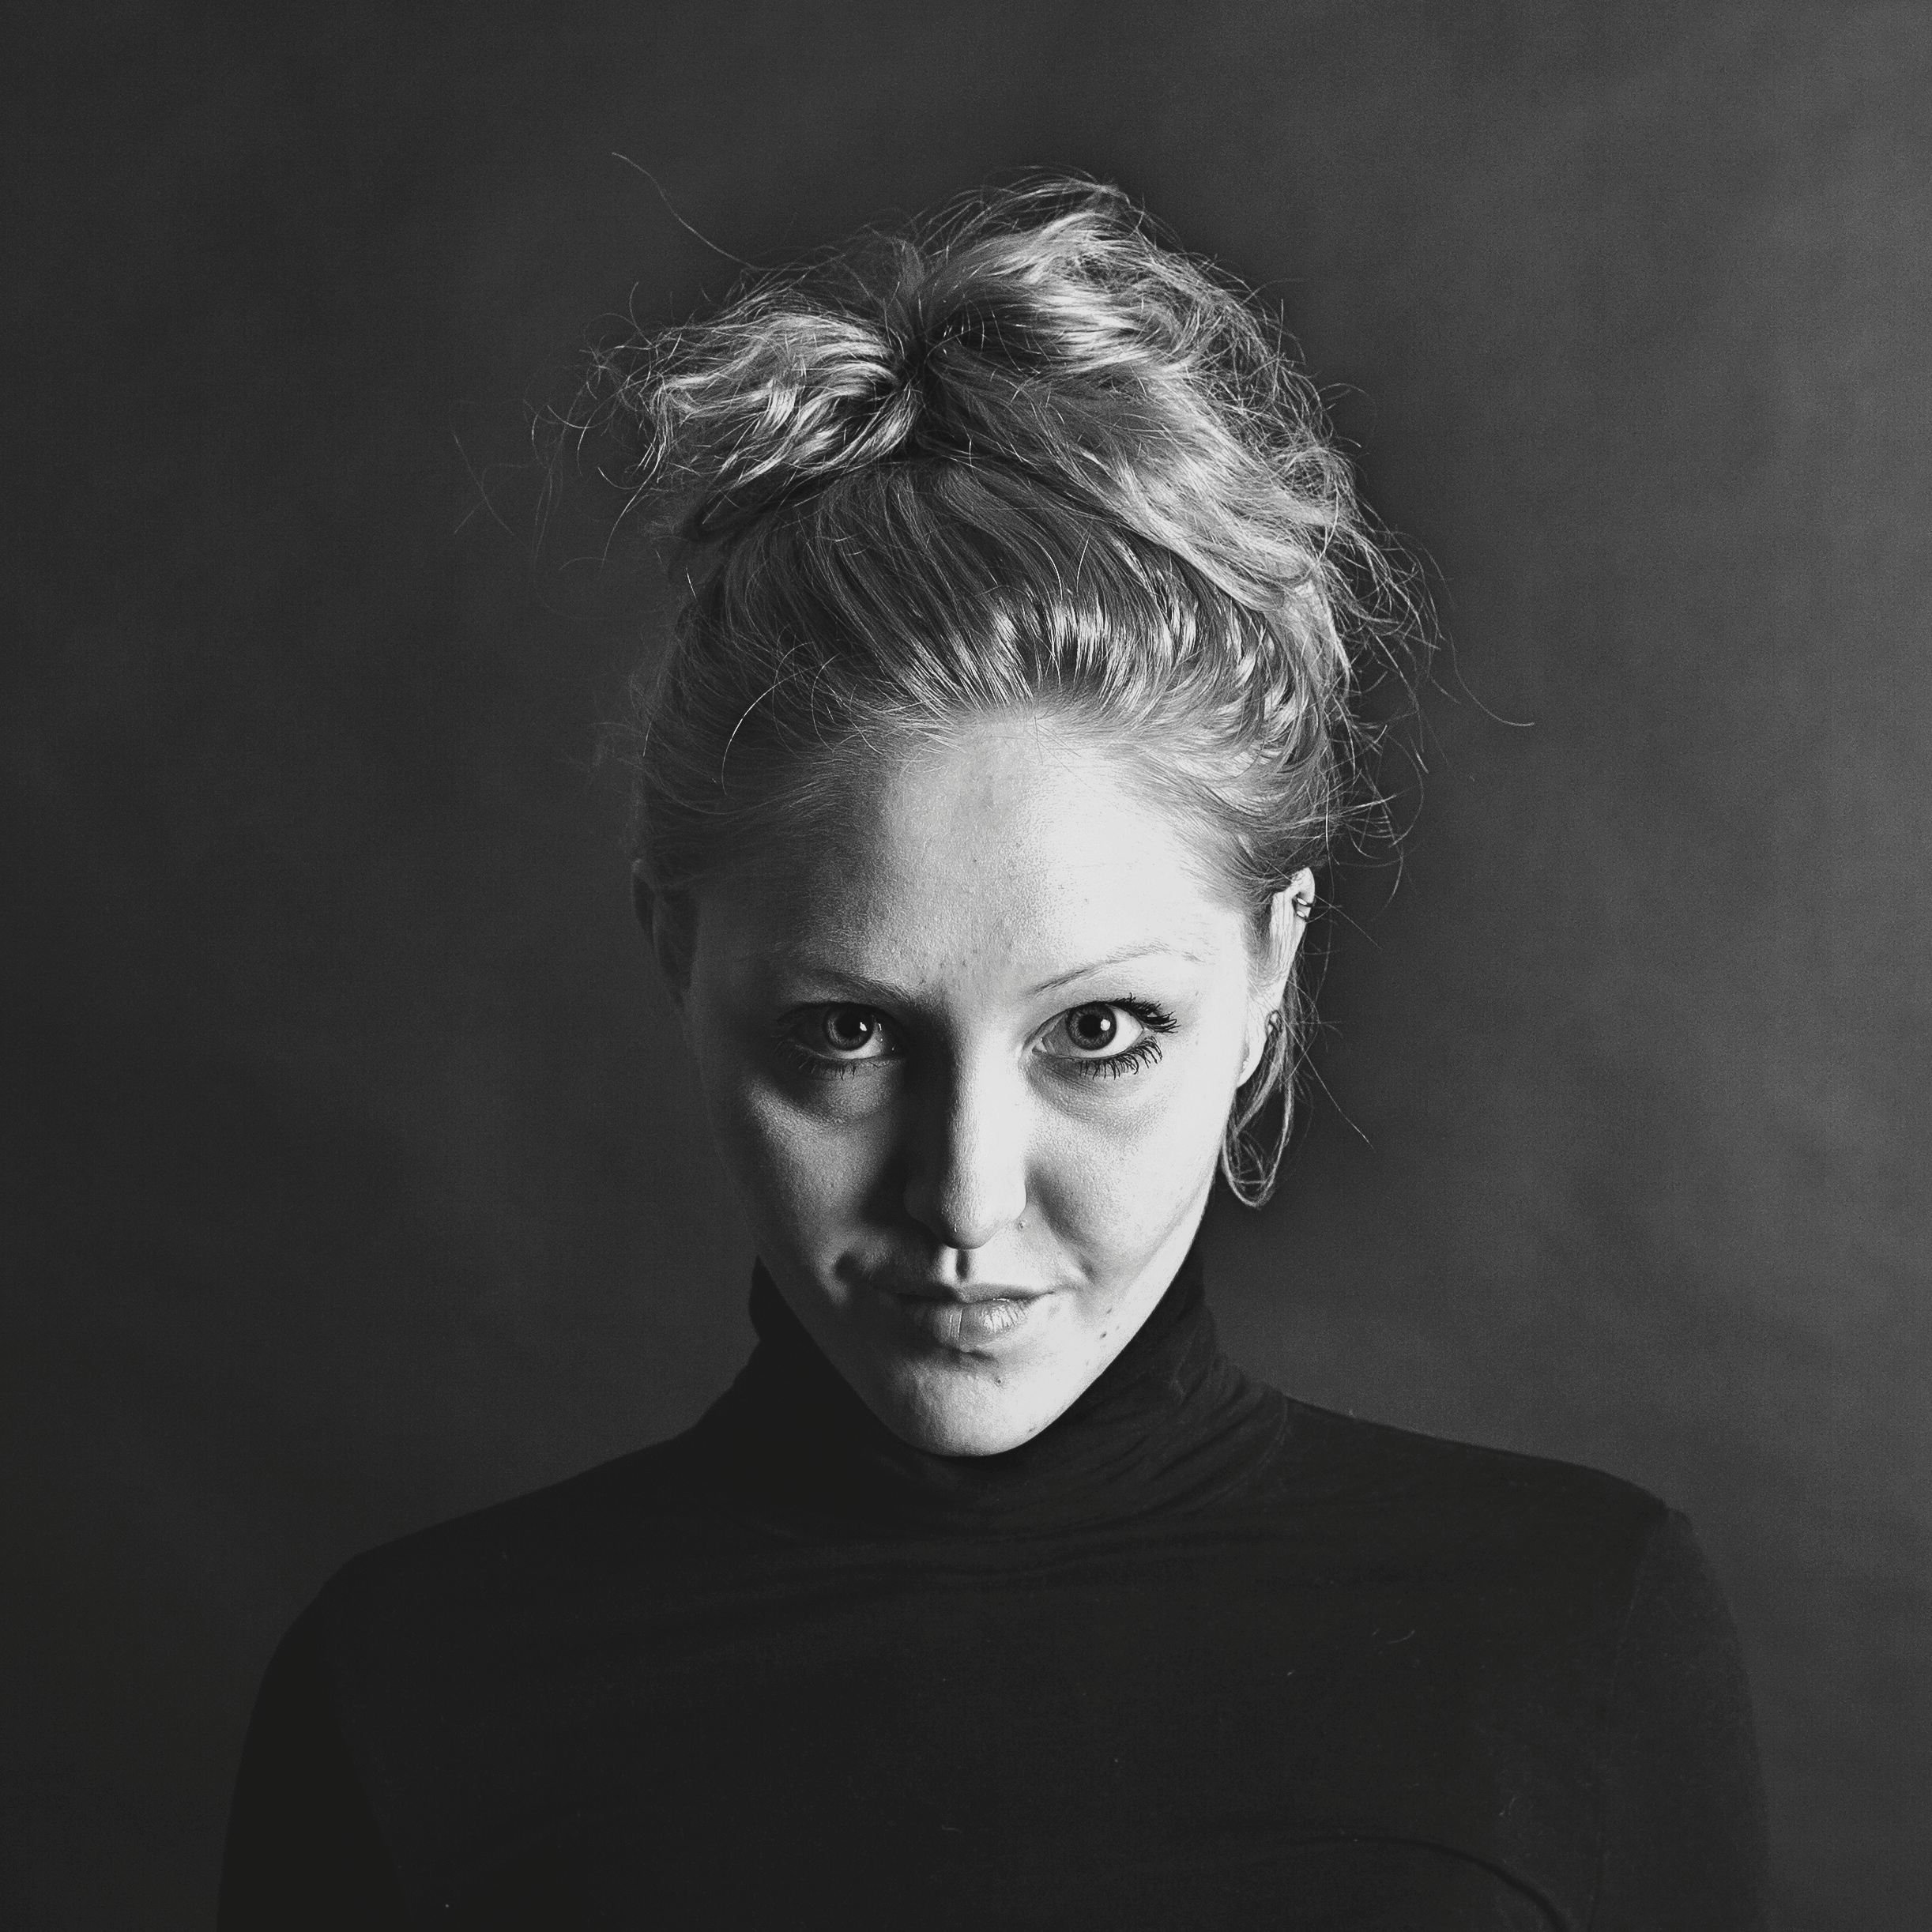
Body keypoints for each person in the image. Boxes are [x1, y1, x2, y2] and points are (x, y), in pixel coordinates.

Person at [219, 179, 1768, 1929]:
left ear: (1268, 971)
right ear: (676, 953)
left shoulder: (1577, 1635)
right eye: (846, 1032)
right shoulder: (410, 1698)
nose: (961, 1202)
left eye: (1097, 1031)